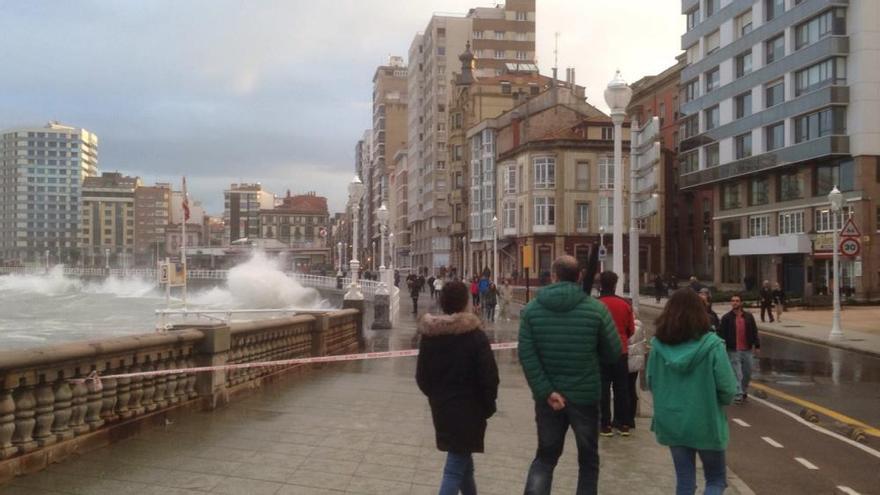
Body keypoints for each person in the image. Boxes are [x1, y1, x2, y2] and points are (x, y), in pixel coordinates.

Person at [519, 255, 621, 495]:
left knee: (545, 458)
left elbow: (527, 356)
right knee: (588, 460)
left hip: (549, 399)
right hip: (585, 396)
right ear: (579, 277)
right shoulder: (596, 310)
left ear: (553, 276)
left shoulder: (532, 310)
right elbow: (613, 352)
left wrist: (546, 391)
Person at [647, 288, 738, 495]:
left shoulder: (658, 347)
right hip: (706, 420)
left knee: (685, 480)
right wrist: (718, 401)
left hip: (672, 421)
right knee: (716, 480)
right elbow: (728, 388)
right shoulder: (713, 345)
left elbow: (650, 382)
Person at [416, 281, 499, 495]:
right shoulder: (475, 336)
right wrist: (487, 406)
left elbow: (422, 377)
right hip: (470, 410)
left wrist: (437, 396)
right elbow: (489, 377)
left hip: (442, 408)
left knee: (463, 460)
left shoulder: (430, 336)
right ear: (465, 303)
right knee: (454, 467)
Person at [597, 271, 635, 437]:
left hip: (601, 353)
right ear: (615, 284)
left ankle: (605, 424)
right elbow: (631, 330)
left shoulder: (595, 305)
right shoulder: (624, 304)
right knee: (622, 389)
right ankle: (623, 424)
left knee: (603, 389)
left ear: (600, 285)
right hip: (621, 352)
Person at [719, 294, 760, 404]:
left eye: (737, 301)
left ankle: (743, 390)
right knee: (737, 373)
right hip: (733, 350)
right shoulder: (726, 318)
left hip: (747, 349)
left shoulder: (748, 317)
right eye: (733, 301)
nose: (735, 303)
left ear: (741, 303)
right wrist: (722, 347)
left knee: (747, 372)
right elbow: (721, 334)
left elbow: (754, 331)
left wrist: (757, 345)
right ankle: (738, 394)